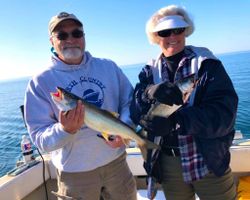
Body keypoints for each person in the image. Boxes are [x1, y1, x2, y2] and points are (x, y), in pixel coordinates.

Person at [24, 12, 137, 200]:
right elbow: (39, 139)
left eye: (76, 33)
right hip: (74, 174)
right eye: (62, 35)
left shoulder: (109, 67)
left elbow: (130, 102)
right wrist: (64, 130)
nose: (71, 40)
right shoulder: (40, 81)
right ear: (52, 41)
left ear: (84, 37)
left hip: (116, 164)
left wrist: (123, 129)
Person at [130, 5, 238, 200]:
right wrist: (149, 92)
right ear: (156, 36)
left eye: (178, 29)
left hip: (207, 160)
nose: (173, 36)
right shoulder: (148, 71)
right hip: (167, 163)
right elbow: (136, 108)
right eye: (164, 32)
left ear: (186, 30)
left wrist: (177, 121)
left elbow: (224, 115)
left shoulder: (208, 65)